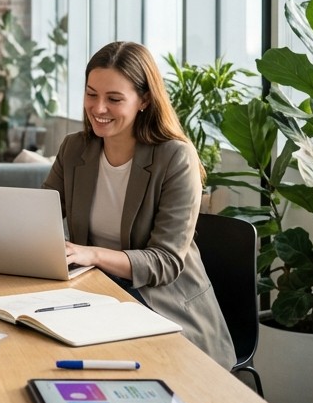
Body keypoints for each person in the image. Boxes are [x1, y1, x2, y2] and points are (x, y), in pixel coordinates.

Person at [43, 41, 236, 367]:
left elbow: (165, 262)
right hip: (96, 293)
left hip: (162, 303)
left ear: (144, 99)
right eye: (91, 94)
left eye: (114, 99)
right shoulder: (75, 149)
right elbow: (40, 219)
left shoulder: (175, 157)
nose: (98, 108)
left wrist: (91, 254)